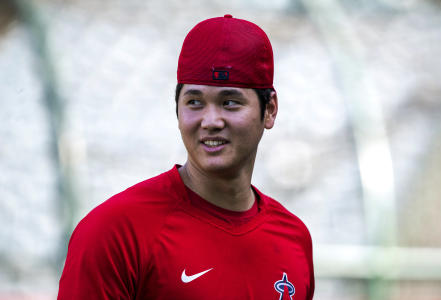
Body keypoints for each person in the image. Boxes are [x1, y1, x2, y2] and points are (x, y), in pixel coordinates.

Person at [58, 14, 314, 300]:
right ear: (177, 110)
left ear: (270, 110)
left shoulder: (294, 237)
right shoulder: (114, 233)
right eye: (194, 102)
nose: (210, 121)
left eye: (230, 102)